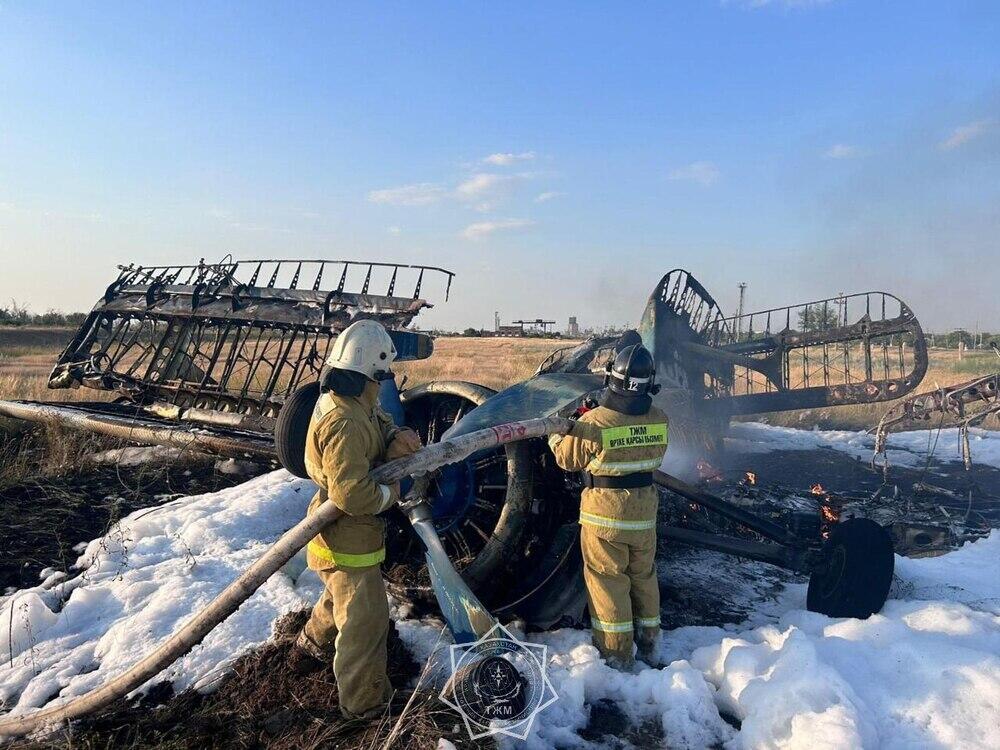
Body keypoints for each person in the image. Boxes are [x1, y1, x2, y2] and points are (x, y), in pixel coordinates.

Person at [293, 319, 422, 719]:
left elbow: (379, 424)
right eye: (383, 373)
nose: (385, 380)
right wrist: (394, 493)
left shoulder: (353, 402)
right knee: (365, 625)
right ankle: (365, 708)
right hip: (348, 541)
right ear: (371, 369)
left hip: (341, 537)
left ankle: (309, 647)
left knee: (339, 600)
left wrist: (398, 437)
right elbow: (351, 494)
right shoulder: (344, 421)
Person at [548, 341, 669, 670]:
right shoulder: (660, 419)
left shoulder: (597, 422)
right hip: (644, 516)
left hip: (606, 517)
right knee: (644, 576)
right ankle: (651, 643)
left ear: (610, 378)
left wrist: (566, 426)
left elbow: (566, 458)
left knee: (608, 582)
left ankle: (616, 655)